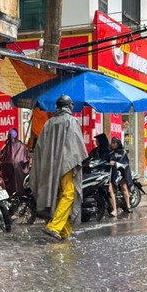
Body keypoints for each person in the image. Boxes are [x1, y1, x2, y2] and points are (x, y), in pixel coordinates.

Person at [32, 95, 87, 240]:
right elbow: (75, 147)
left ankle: (63, 231)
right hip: (66, 165)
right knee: (69, 194)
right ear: (69, 106)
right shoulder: (72, 121)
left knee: (58, 195)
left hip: (50, 166)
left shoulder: (49, 123)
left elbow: (40, 147)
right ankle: (54, 226)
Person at [0, 128, 30, 196]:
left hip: (9, 181)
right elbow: (26, 160)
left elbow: (0, 163)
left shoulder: (5, 147)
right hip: (21, 179)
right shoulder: (22, 146)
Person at [109, 137, 134, 213]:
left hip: (121, 173)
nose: (112, 144)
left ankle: (128, 205)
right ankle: (114, 209)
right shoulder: (110, 152)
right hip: (112, 173)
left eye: (114, 142)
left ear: (118, 143)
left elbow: (125, 163)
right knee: (111, 190)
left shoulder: (123, 152)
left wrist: (115, 163)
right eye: (112, 142)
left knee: (124, 187)